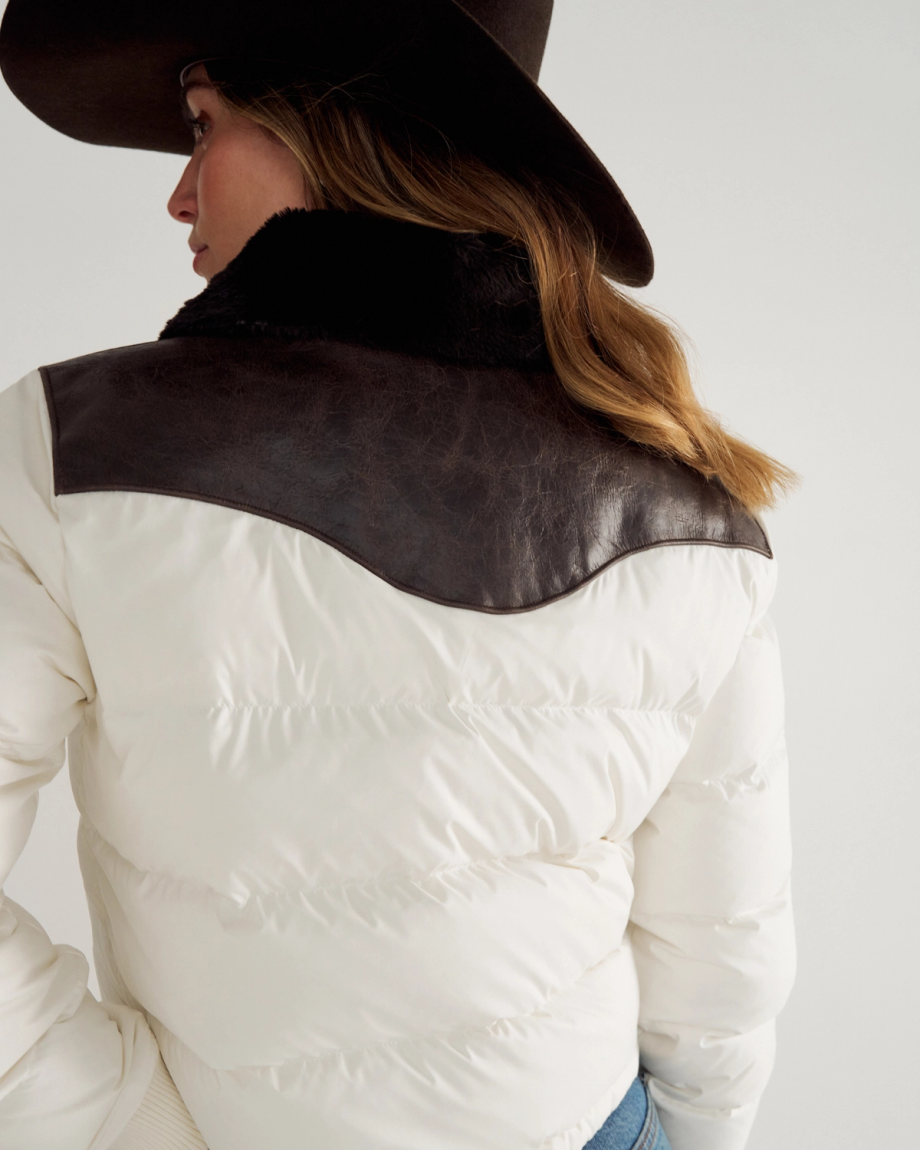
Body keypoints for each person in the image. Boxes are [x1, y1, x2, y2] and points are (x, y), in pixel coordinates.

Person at [0, 2, 796, 1149]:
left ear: (332, 128)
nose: (180, 194)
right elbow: (719, 965)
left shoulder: (68, 450)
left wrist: (126, 1124)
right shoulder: (690, 503)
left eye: (200, 125)